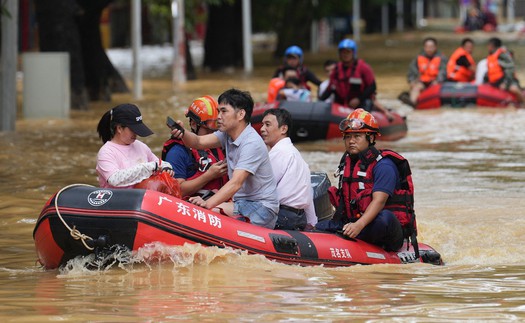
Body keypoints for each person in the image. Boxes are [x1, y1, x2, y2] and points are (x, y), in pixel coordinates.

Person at [170, 88, 279, 229]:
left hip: (262, 208)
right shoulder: (227, 135)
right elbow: (198, 142)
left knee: (205, 213)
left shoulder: (252, 143)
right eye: (218, 111)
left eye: (223, 111)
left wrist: (207, 203)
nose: (218, 116)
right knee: (199, 212)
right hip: (241, 203)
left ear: (240, 114)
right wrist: (182, 133)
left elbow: (236, 183)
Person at [315, 108, 418, 254]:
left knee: (384, 219)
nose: (351, 141)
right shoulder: (347, 162)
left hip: (382, 227)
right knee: (318, 227)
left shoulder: (384, 165)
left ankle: (354, 235)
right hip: (353, 223)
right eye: (347, 137)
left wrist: (358, 225)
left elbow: (379, 201)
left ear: (370, 138)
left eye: (357, 136)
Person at [260, 108, 317, 231]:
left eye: (267, 125)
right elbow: (308, 194)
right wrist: (312, 223)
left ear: (283, 129)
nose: (262, 129)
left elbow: (261, 190)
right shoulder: (296, 155)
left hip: (281, 217)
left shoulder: (279, 153)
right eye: (262, 124)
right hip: (299, 218)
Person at [162, 96, 228, 198]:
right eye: (209, 130)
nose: (213, 134)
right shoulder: (177, 151)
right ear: (193, 124)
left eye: (216, 130)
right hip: (194, 206)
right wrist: (209, 175)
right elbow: (177, 191)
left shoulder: (221, 144)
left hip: (221, 201)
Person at [96, 103, 173, 189]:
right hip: (117, 200)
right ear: (119, 128)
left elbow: (159, 164)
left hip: (145, 198)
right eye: (133, 129)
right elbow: (114, 179)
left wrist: (167, 168)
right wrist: (146, 168)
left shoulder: (141, 146)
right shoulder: (106, 152)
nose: (136, 133)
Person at [319, 39, 394, 119]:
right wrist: (319, 102)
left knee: (367, 102)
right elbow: (330, 88)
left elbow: (372, 86)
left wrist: (358, 99)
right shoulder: (337, 69)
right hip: (342, 104)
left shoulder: (363, 67)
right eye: (343, 52)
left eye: (348, 52)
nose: (345, 55)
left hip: (361, 102)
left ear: (353, 53)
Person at [403, 37, 447, 107]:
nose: (429, 49)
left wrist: (438, 81)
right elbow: (411, 72)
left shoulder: (442, 58)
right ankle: (412, 104)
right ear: (424, 47)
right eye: (427, 47)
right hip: (422, 82)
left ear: (435, 47)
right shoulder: (418, 58)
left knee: (434, 87)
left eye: (431, 47)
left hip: (435, 83)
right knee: (416, 88)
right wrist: (412, 81)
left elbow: (443, 72)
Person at [485, 37, 524, 107]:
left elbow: (509, 70)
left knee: (514, 89)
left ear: (492, 46)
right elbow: (490, 71)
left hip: (507, 80)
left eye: (488, 45)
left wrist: (505, 83)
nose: (487, 47)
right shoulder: (491, 55)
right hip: (495, 82)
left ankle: (523, 104)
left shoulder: (502, 55)